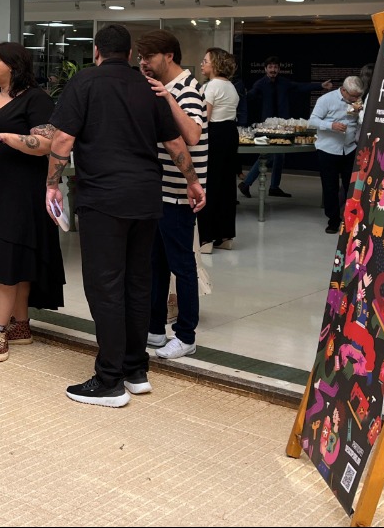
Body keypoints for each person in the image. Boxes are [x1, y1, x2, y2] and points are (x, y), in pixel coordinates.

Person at [45, 24, 206, 408]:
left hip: (103, 200)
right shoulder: (148, 86)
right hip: (147, 199)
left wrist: (52, 183)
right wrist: (193, 181)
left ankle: (109, 380)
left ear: (97, 51)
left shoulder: (83, 83)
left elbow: (63, 139)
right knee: (137, 283)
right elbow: (174, 142)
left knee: (104, 286)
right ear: (131, 54)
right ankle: (135, 370)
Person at [0, 42, 64, 362]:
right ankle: (20, 326)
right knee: (11, 257)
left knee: (4, 258)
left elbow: (47, 143)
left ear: (14, 66)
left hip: (19, 192)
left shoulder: (36, 99)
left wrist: (6, 138)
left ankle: (1, 330)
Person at [135, 31, 208, 361]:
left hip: (179, 194)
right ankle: (153, 328)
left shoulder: (186, 88)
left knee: (182, 266)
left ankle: (186, 334)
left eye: (148, 56)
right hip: (159, 192)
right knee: (155, 265)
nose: (143, 62)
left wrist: (167, 98)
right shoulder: (163, 87)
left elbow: (191, 135)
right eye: (139, 57)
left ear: (168, 56)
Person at [238, 56, 333, 198]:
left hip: (282, 126)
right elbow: (249, 97)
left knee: (280, 156)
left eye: (275, 67)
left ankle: (274, 187)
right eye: (270, 67)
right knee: (267, 155)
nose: (273, 70)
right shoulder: (260, 84)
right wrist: (240, 96)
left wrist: (320, 86)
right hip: (267, 127)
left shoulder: (284, 83)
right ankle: (246, 183)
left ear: (279, 69)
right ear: (265, 69)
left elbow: (301, 87)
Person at [198, 48, 241, 252]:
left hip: (213, 135)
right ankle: (225, 236)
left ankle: (205, 238)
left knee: (209, 185)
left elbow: (204, 119)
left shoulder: (210, 86)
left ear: (214, 64)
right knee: (226, 186)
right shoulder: (231, 86)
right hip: (230, 133)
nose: (202, 64)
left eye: (205, 60)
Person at [311, 75, 364, 234]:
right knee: (330, 186)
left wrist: (360, 112)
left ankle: (352, 219)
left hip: (349, 148)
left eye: (358, 96)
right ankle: (333, 220)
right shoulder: (326, 100)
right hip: (328, 149)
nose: (355, 99)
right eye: (353, 96)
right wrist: (331, 125)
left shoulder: (358, 101)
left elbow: (360, 122)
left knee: (352, 187)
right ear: (343, 91)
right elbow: (312, 121)